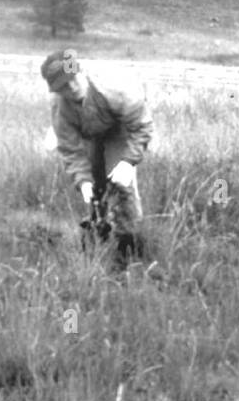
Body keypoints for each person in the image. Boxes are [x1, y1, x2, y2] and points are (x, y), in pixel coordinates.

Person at [41, 49, 155, 271]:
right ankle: (97, 236)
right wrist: (83, 181)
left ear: (80, 71)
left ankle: (128, 249)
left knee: (123, 186)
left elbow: (142, 127)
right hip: (91, 135)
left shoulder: (114, 88)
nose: (71, 89)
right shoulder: (60, 106)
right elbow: (70, 149)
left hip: (119, 130)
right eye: (63, 87)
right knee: (95, 188)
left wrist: (127, 162)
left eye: (73, 80)